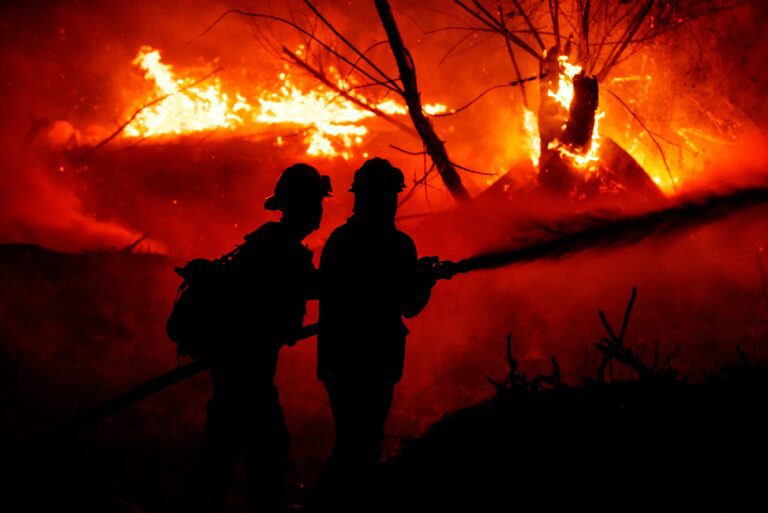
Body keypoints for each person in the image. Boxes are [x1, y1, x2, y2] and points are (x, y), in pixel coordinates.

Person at [183, 164, 331, 513]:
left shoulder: (274, 243)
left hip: (243, 368)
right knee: (262, 450)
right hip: (245, 369)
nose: (319, 211)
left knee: (227, 451)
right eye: (315, 203)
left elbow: (313, 288)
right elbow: (316, 287)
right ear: (300, 205)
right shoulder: (280, 249)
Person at [316, 157, 437, 503]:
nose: (389, 202)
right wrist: (423, 283)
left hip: (340, 360)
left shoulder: (339, 241)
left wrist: (419, 280)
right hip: (372, 361)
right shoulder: (397, 245)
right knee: (361, 443)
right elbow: (408, 306)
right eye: (385, 195)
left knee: (355, 440)